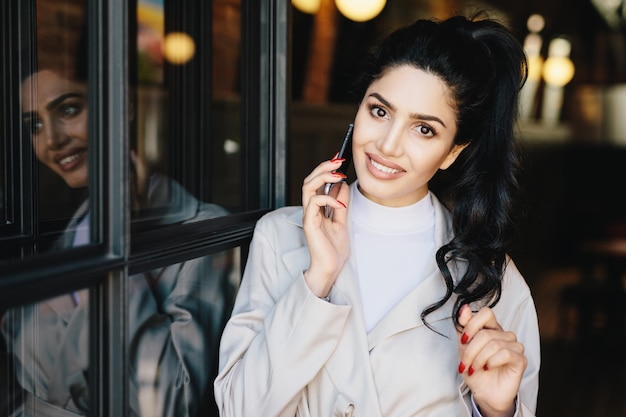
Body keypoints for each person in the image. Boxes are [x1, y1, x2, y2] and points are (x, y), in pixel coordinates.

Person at [214, 14, 539, 417]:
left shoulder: (493, 281)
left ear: (453, 151)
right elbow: (239, 409)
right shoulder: (280, 236)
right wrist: (318, 281)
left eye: (424, 130)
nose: (387, 145)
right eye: (380, 111)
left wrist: (497, 411)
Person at [1, 61, 236, 416]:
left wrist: (124, 247)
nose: (52, 139)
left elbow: (172, 402)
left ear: (123, 105)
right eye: (34, 124)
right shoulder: (73, 233)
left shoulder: (206, 230)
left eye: (68, 109)